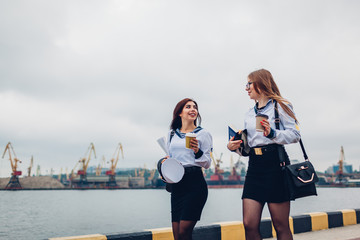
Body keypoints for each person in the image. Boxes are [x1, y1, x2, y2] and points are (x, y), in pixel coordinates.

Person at [227, 69, 300, 240]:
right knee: (249, 224)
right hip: (254, 167)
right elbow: (249, 147)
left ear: (260, 83)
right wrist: (234, 147)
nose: (246, 88)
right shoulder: (249, 113)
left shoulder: (281, 106)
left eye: (249, 83)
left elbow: (295, 135)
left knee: (280, 225)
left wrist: (273, 133)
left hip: (276, 165)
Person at [166, 98, 212, 240]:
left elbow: (207, 163)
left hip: (195, 183)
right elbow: (169, 158)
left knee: (184, 231)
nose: (192, 109)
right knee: (177, 235)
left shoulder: (203, 134)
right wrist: (164, 170)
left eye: (195, 107)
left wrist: (197, 150)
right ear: (180, 112)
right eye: (188, 107)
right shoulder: (171, 134)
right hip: (177, 184)